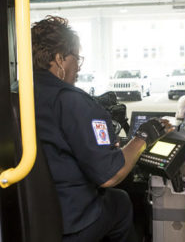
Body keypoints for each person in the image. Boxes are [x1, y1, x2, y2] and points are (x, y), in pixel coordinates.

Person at [31, 16, 170, 242]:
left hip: (30, 216)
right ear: (59, 59)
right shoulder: (72, 101)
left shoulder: (18, 93)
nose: (78, 66)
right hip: (72, 221)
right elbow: (110, 175)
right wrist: (144, 137)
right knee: (121, 201)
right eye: (76, 58)